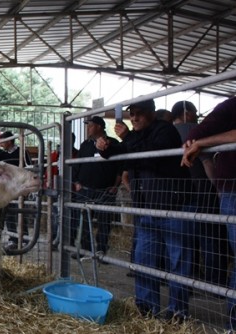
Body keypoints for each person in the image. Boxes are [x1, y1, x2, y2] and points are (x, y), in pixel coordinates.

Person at [96, 99, 193, 320]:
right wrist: (105, 147)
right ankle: (146, 308)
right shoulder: (136, 136)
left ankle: (178, 312)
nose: (135, 118)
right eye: (132, 114)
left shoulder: (165, 130)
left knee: (177, 261)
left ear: (152, 113)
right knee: (144, 260)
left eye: (139, 113)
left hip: (173, 208)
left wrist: (127, 137)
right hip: (147, 208)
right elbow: (120, 151)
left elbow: (152, 156)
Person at [181, 96, 236, 330]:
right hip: (228, 191)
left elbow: (195, 138)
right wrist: (201, 145)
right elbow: (194, 137)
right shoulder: (231, 106)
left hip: (222, 192)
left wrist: (202, 145)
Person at [171, 100, 229, 288]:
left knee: (182, 238)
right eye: (194, 112)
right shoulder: (192, 131)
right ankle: (214, 280)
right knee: (210, 235)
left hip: (175, 193)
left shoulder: (167, 132)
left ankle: (187, 278)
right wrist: (218, 187)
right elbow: (207, 163)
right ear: (186, 113)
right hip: (201, 189)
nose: (196, 116)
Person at [71, 116, 121, 258]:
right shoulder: (85, 144)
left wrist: (115, 185)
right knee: (84, 219)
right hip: (85, 189)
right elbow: (78, 163)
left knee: (104, 220)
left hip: (105, 189)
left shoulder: (113, 143)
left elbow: (120, 166)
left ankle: (101, 250)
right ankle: (85, 249)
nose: (88, 128)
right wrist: (76, 182)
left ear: (99, 126)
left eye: (90, 125)